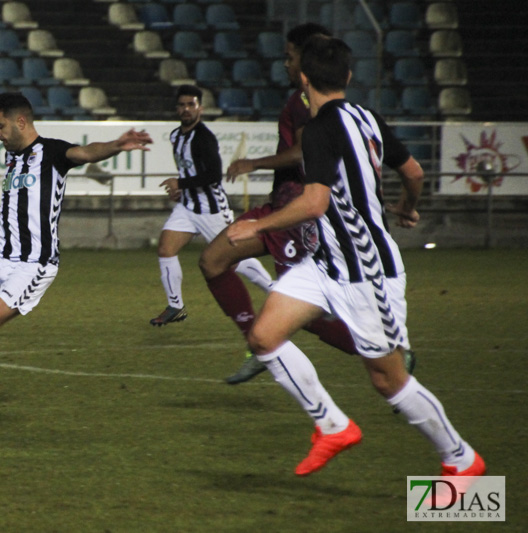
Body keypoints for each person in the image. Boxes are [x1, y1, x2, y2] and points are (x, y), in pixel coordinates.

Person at [225, 36, 485, 478]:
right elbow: (414, 171)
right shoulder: (368, 117)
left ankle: (461, 459)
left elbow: (314, 203)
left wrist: (257, 225)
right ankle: (332, 426)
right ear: (347, 76)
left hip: (367, 272)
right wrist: (406, 205)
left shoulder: (320, 130)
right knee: (265, 336)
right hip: (327, 263)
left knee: (388, 380)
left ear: (304, 81)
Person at [0, 92, 153, 407]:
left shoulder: (52, 152)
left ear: (21, 121)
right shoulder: (12, 155)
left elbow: (84, 153)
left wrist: (115, 146)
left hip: (34, 263)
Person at [198, 23, 375, 384]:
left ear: (305, 61)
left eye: (289, 56)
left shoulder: (307, 102)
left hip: (295, 213)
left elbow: (304, 154)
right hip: (278, 207)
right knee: (214, 260)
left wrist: (255, 163)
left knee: (303, 313)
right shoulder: (304, 100)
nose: (285, 64)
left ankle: (384, 349)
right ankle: (255, 343)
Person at [149, 84, 274, 327]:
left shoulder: (204, 138)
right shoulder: (176, 136)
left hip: (211, 209)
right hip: (188, 207)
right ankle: (175, 306)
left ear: (200, 108)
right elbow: (189, 170)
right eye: (182, 105)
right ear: (177, 108)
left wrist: (181, 183)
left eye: (191, 105)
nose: (186, 109)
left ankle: (273, 290)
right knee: (165, 249)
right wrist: (180, 190)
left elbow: (213, 175)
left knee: (234, 259)